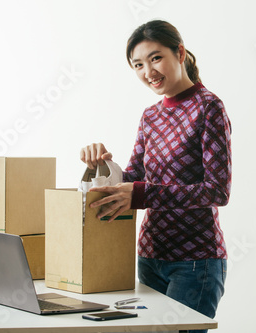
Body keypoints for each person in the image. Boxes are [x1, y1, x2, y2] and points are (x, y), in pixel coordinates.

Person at [80, 20, 231, 333]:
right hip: (149, 257)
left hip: (195, 263)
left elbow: (217, 191)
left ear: (179, 52)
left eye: (155, 58)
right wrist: (100, 165)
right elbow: (135, 176)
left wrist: (142, 194)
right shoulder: (150, 115)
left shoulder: (209, 108)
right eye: (138, 64)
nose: (148, 72)